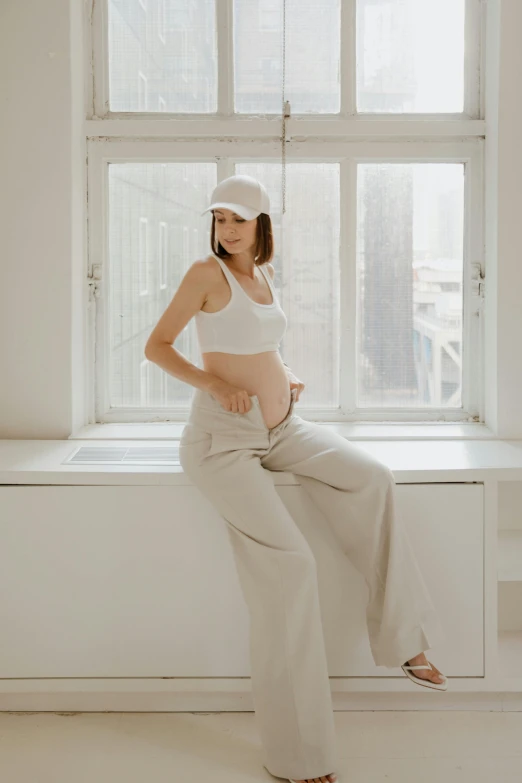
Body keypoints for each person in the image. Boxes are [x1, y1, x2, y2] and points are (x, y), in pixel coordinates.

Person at [144, 174, 447, 783]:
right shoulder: (207, 273)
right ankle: (298, 756)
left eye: (239, 220)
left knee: (373, 477)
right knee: (292, 569)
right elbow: (158, 346)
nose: (227, 230)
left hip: (282, 429)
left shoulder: (262, 276)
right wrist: (219, 385)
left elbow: (256, 345)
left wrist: (285, 375)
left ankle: (403, 641)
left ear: (261, 224)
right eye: (220, 219)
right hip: (222, 442)